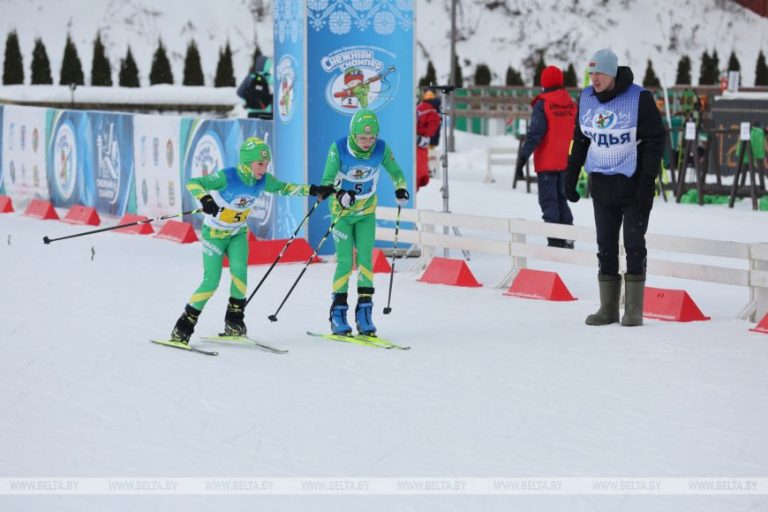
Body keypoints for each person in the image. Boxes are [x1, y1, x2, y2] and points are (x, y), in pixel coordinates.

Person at [169, 137, 333, 343]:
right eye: (260, 164)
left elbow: (284, 188)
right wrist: (205, 199)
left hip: (237, 234)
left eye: (266, 164)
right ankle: (183, 327)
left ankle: (234, 322)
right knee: (211, 281)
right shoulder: (227, 176)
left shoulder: (263, 180)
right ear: (247, 162)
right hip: (214, 235)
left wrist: (314, 190)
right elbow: (194, 183)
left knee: (240, 276)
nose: (263, 169)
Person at [564, 48, 665, 327]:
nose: (594, 78)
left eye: (599, 73)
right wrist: (570, 175)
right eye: (591, 73)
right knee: (605, 246)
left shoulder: (639, 99)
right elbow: (580, 139)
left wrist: (647, 182)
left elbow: (656, 141)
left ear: (612, 74)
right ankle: (608, 307)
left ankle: (633, 309)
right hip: (602, 184)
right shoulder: (586, 98)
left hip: (633, 186)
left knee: (634, 244)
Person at [320, 109, 409, 336]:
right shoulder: (339, 148)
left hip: (366, 212)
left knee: (366, 259)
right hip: (342, 214)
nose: (368, 142)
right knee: (345, 260)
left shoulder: (381, 148)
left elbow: (396, 172)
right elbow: (327, 181)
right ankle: (338, 313)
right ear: (353, 134)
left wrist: (401, 188)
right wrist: (339, 194)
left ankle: (365, 312)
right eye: (363, 138)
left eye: (372, 138)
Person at [515, 66, 577, 248]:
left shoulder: (543, 104)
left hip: (547, 163)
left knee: (549, 201)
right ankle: (568, 234)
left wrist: (522, 158)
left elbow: (535, 134)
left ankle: (555, 240)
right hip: (566, 161)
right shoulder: (571, 104)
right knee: (561, 199)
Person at [416, 90, 442, 190]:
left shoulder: (418, 107)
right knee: (421, 168)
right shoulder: (433, 111)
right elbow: (431, 130)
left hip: (415, 142)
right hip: (423, 142)